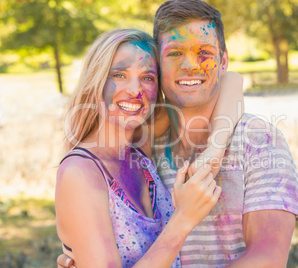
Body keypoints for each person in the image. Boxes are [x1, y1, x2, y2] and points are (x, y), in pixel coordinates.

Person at [58, 0, 298, 267]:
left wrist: (214, 150)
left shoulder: (259, 141)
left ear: (223, 60)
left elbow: (267, 260)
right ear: (161, 65)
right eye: (175, 54)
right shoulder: (144, 142)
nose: (190, 65)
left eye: (204, 53)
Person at [56, 28, 244, 268]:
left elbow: (231, 80)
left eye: (148, 78)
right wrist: (183, 219)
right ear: (96, 80)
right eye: (119, 75)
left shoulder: (139, 145)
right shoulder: (80, 172)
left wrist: (214, 151)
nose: (135, 91)